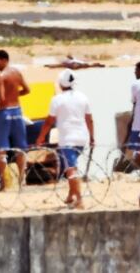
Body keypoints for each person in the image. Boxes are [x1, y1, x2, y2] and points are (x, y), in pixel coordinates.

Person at [35, 70, 93, 210]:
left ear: (61, 84)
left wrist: (41, 137)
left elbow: (49, 121)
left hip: (67, 138)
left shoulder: (57, 99)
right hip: (82, 137)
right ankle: (71, 195)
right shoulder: (83, 97)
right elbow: (89, 119)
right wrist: (92, 137)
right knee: (71, 166)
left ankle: (79, 199)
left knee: (71, 169)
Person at [0, 49, 30, 186]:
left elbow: (1, 98)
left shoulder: (1, 76)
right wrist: (14, 95)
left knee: (1, 148)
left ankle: (4, 181)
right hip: (17, 112)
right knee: (21, 147)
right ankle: (22, 179)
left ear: (4, 60)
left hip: (4, 112)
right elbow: (27, 90)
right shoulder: (17, 72)